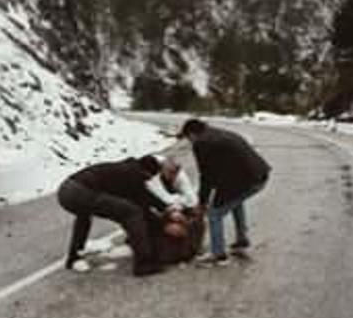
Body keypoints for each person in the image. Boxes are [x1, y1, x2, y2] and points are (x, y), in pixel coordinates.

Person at [58, 155, 170, 277]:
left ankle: (73, 258)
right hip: (80, 192)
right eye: (148, 178)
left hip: (65, 190)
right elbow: (142, 199)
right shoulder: (133, 174)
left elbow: (139, 197)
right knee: (132, 213)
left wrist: (163, 208)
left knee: (85, 216)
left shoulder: (125, 169)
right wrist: (165, 210)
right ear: (145, 171)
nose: (147, 181)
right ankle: (143, 264)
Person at [178, 118, 271, 265]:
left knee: (214, 213)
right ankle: (241, 240)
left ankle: (218, 254)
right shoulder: (218, 133)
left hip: (245, 179)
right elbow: (218, 170)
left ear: (192, 134)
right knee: (234, 202)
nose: (189, 142)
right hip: (259, 174)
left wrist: (202, 204)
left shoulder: (201, 143)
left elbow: (206, 176)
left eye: (188, 138)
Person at [147, 156, 204, 265]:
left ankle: (189, 247)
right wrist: (168, 216)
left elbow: (192, 199)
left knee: (195, 215)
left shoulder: (179, 176)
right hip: (153, 207)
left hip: (171, 206)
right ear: (162, 170)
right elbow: (161, 200)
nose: (172, 177)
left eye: (174, 174)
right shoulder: (152, 179)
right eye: (169, 174)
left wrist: (183, 210)